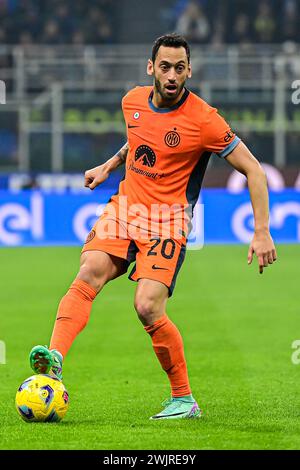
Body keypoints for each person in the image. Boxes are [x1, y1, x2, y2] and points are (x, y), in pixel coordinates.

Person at [29, 33, 277, 420]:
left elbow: (254, 169)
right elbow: (138, 140)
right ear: (151, 68)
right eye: (165, 66)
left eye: (180, 67)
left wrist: (261, 230)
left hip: (167, 220)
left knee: (146, 306)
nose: (172, 74)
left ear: (189, 70)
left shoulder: (204, 120)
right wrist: (109, 166)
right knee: (88, 272)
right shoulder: (132, 101)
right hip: (125, 208)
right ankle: (55, 359)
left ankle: (184, 399)